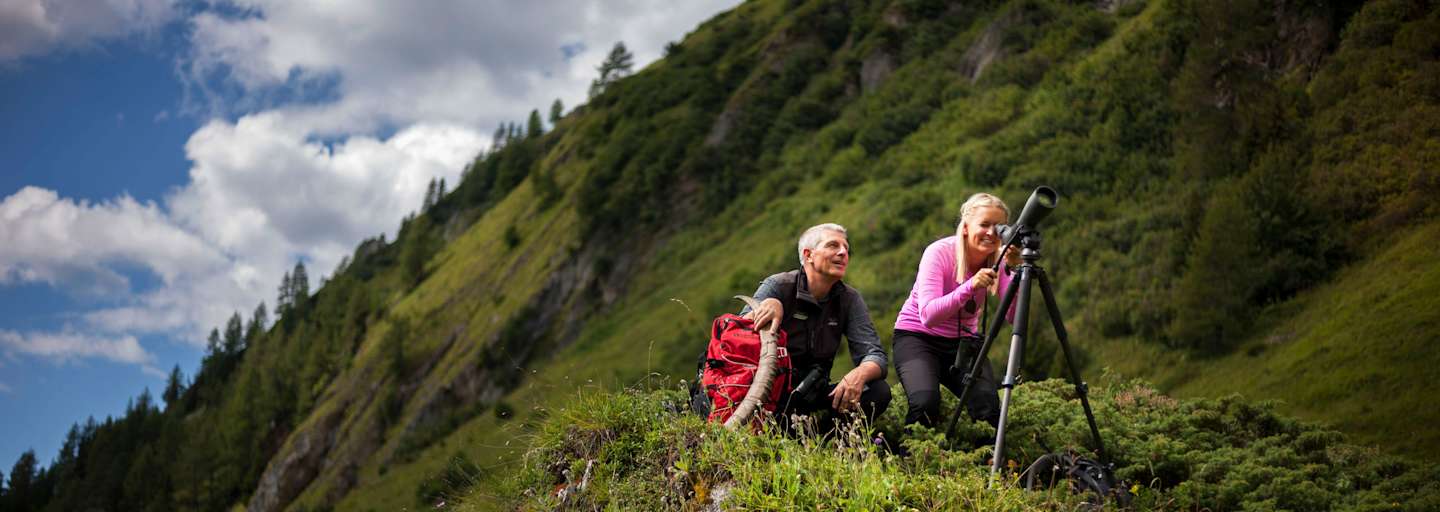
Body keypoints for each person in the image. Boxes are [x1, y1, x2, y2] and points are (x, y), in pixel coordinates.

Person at [741, 223, 891, 425]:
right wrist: (770, 306)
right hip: (766, 398)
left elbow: (875, 355)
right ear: (808, 255)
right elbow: (735, 335)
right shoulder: (779, 286)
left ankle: (832, 445)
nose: (843, 252)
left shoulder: (849, 299)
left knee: (878, 391)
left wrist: (859, 373)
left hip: (811, 395)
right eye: (832, 245)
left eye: (846, 248)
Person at [893, 193, 1020, 429]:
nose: (991, 233)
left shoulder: (1001, 262)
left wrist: (1013, 270)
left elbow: (1014, 317)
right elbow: (929, 316)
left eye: (998, 227)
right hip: (917, 337)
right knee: (925, 403)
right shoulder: (938, 252)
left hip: (963, 342)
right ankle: (909, 461)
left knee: (988, 409)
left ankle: (984, 462)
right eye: (984, 225)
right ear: (965, 227)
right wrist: (970, 286)